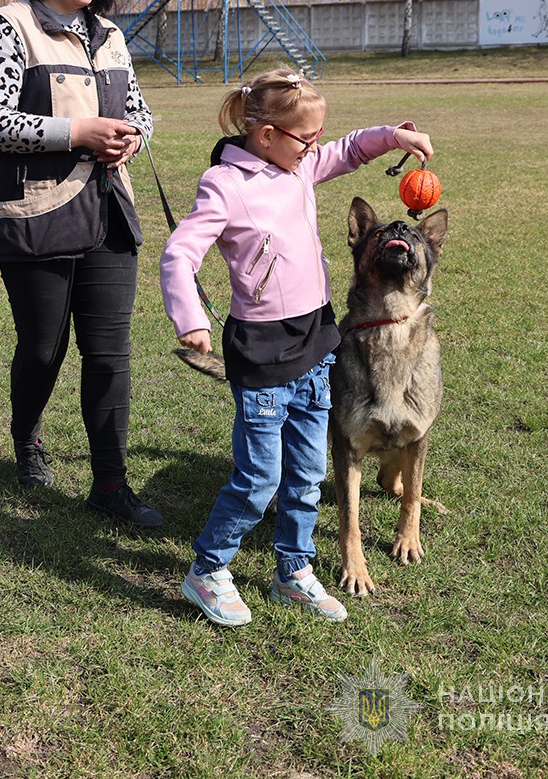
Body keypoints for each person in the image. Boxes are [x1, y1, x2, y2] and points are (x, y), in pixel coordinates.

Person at [160, 67, 434, 625]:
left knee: (308, 474)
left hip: (316, 345)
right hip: (261, 356)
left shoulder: (296, 167)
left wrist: (395, 137)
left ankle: (295, 570)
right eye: (307, 138)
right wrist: (190, 317)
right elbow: (179, 255)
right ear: (266, 135)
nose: (315, 149)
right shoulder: (226, 185)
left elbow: (350, 150)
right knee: (259, 477)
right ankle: (208, 570)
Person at [0, 0, 162, 528]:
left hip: (108, 211)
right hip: (37, 215)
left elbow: (140, 109)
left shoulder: (110, 34)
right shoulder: (9, 26)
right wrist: (78, 130)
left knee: (110, 354)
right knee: (44, 349)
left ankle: (110, 486)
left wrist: (132, 137)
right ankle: (26, 440)